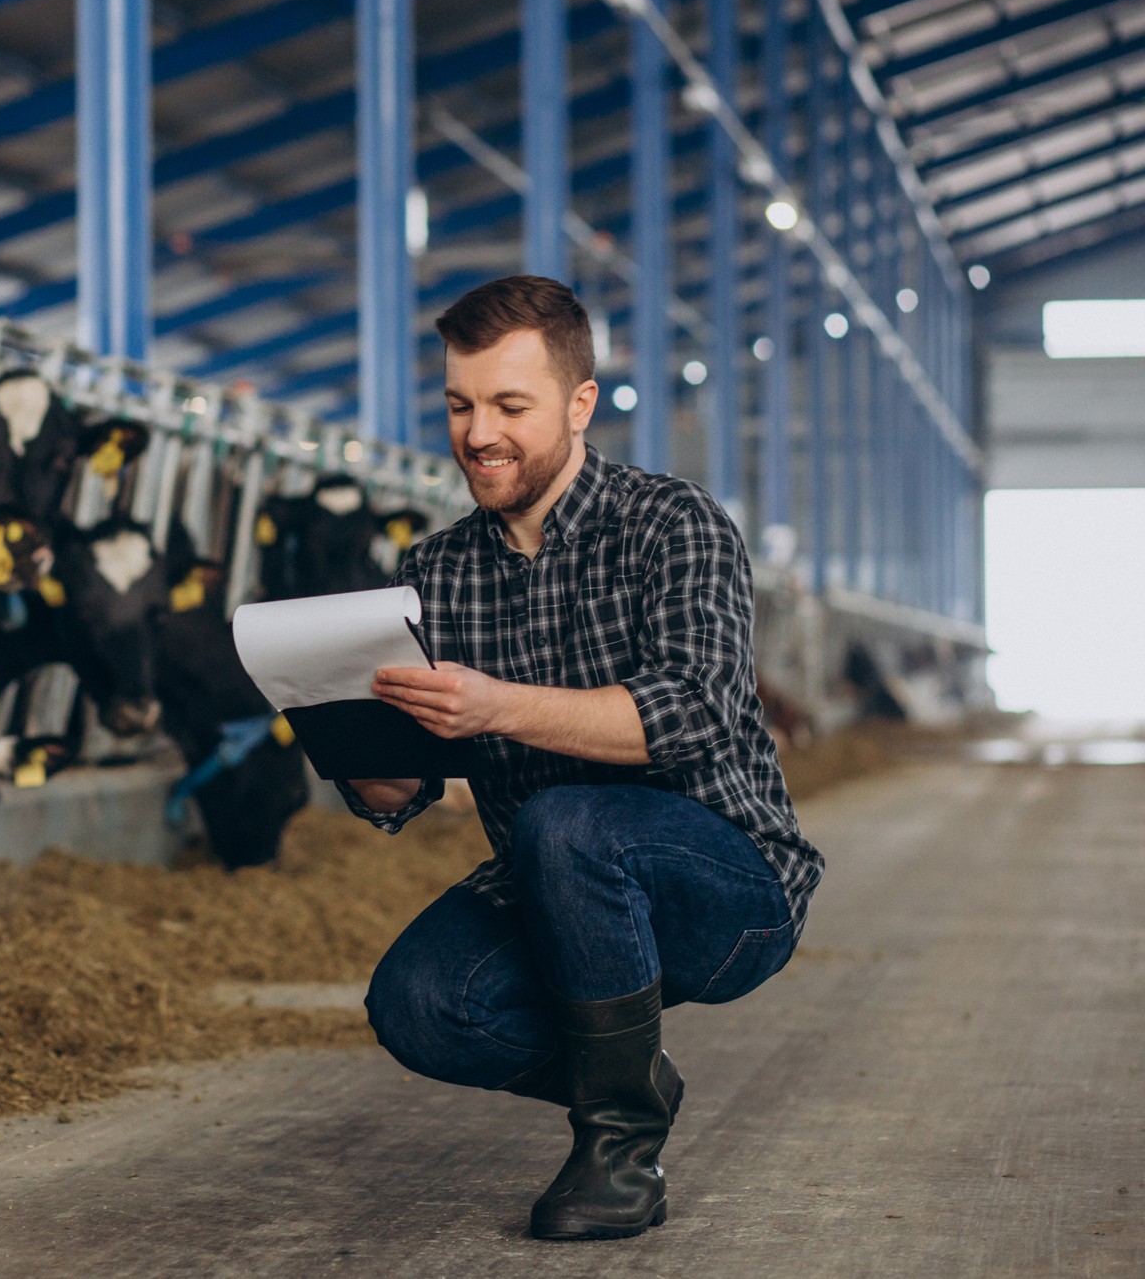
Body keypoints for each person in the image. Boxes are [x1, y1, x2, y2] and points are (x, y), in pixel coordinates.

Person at [344, 275, 823, 1241]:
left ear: (578, 403)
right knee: (419, 1003)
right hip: (554, 885)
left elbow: (686, 714)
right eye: (459, 405)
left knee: (566, 819)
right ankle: (629, 1067)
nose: (479, 434)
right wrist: (358, 751)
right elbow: (406, 788)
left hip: (726, 892)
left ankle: (619, 1148)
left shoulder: (673, 525)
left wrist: (494, 705)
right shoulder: (431, 574)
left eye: (510, 406)